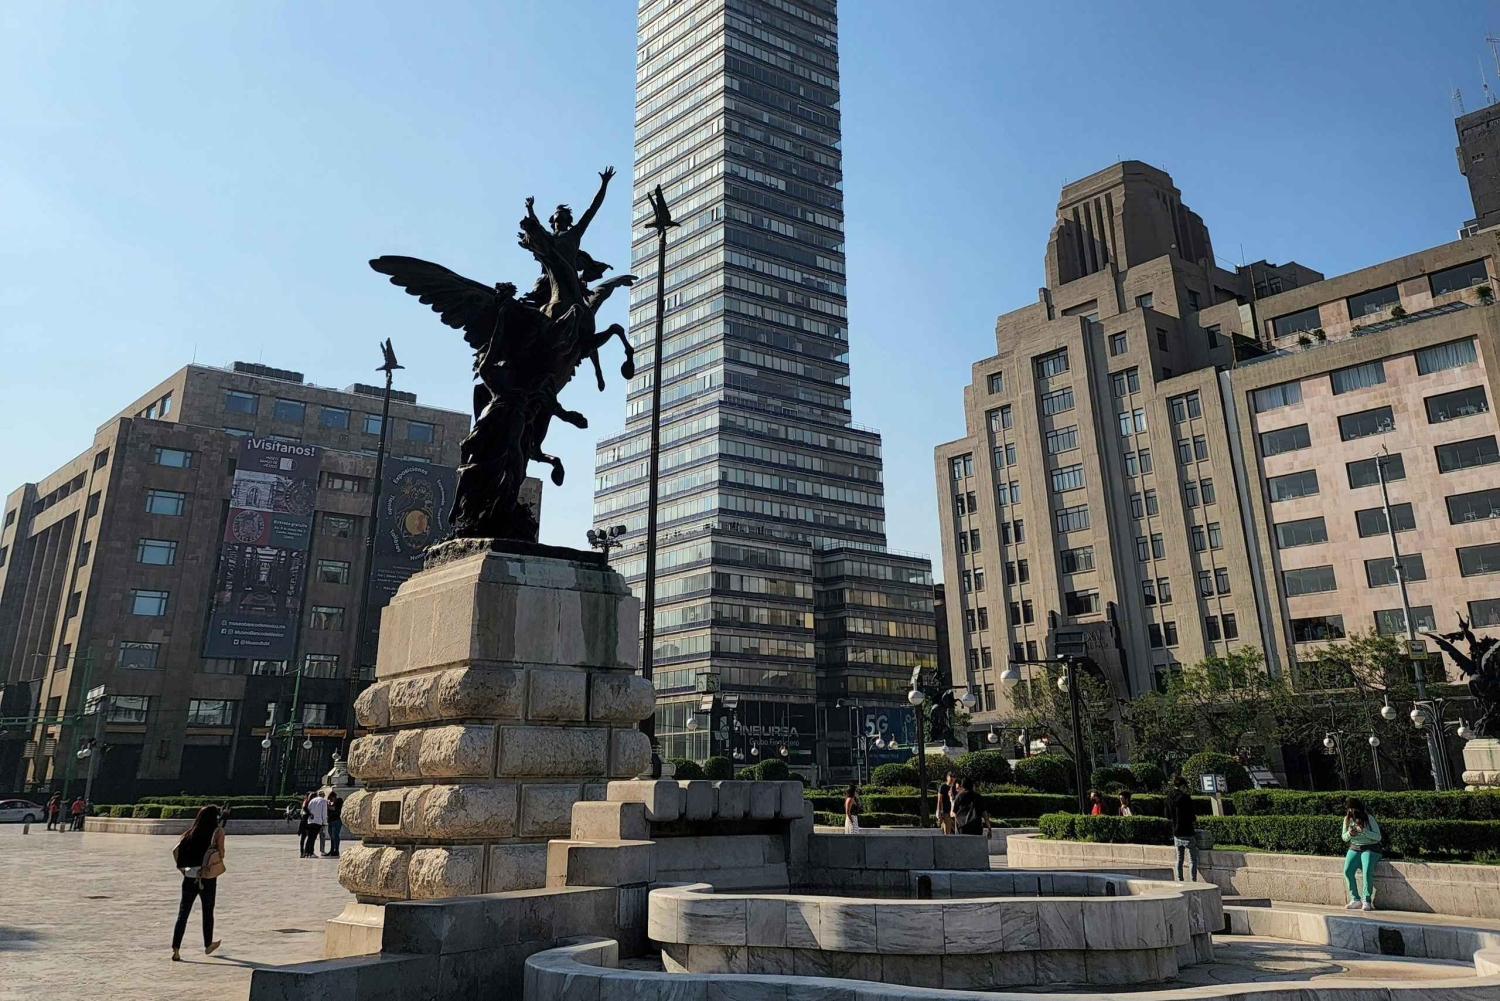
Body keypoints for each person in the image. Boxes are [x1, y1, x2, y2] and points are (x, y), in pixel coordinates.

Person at [170, 805, 225, 961]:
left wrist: (183, 869)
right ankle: (208, 944)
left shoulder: (190, 833)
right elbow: (221, 853)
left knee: (183, 913)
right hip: (207, 877)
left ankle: (176, 949)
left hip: (189, 877)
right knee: (207, 911)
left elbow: (175, 851)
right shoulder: (217, 832)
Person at [1342, 798, 1383, 911]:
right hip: (1355, 847)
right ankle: (1355, 899)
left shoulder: (1369, 818)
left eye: (1353, 809)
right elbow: (1344, 837)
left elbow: (1378, 837)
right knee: (1347, 871)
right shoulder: (1347, 819)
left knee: (1367, 871)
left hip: (1370, 848)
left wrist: (1363, 831)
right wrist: (1350, 834)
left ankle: (1366, 899)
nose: (1352, 812)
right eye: (1350, 810)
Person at [1165, 775, 1198, 881]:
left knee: (1179, 858)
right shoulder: (1186, 798)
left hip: (1176, 832)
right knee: (1192, 859)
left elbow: (1167, 815)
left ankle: (1180, 880)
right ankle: (1193, 881)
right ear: (1182, 786)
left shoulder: (1169, 797)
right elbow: (1192, 816)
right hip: (1188, 831)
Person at [303, 789, 328, 859]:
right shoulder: (323, 801)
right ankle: (311, 852)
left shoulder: (312, 800)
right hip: (318, 821)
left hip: (311, 821)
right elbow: (324, 812)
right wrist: (324, 821)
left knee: (309, 837)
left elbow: (308, 809)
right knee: (313, 838)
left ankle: (307, 852)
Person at [325, 791, 343, 858]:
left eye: (331, 798)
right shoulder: (330, 802)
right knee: (331, 836)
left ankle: (336, 850)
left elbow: (335, 808)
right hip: (330, 820)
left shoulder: (339, 801)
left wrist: (327, 805)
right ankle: (332, 850)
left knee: (335, 836)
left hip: (336, 820)